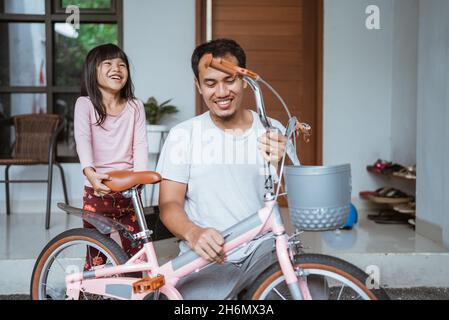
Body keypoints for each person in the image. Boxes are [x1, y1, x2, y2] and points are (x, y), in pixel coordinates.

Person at [157, 39, 298, 299]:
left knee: (311, 290)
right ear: (198, 86)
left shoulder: (271, 129)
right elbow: (168, 204)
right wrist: (193, 232)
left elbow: (290, 196)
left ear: (244, 80)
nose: (221, 92)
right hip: (206, 257)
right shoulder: (183, 136)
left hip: (261, 251)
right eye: (210, 83)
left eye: (229, 80)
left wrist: (280, 162)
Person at [74, 43, 148, 269]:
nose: (116, 68)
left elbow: (140, 144)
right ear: (92, 71)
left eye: (122, 64)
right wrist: (90, 173)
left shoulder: (135, 106)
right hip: (97, 190)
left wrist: (141, 177)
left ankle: (133, 291)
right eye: (107, 63)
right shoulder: (85, 104)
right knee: (97, 254)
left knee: (138, 253)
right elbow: (83, 139)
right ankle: (86, 293)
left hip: (129, 192)